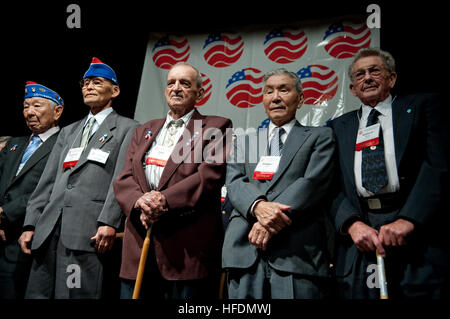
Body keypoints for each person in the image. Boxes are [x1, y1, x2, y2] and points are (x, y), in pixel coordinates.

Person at [328, 47, 449, 299]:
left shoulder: (422, 107)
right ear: (352, 89)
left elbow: (437, 165)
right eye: (360, 75)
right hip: (361, 228)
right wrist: (351, 224)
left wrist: (409, 219)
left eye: (375, 71)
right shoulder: (338, 126)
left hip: (414, 228)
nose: (367, 78)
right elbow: (329, 184)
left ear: (392, 78)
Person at [18, 57, 139, 298]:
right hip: (48, 230)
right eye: (85, 83)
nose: (89, 87)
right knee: (37, 294)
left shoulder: (128, 128)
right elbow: (48, 181)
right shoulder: (69, 130)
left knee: (75, 294)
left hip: (87, 230)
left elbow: (122, 178)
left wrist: (108, 221)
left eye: (96, 82)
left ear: (114, 90)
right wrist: (31, 223)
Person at [113, 62, 232, 299]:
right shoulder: (144, 129)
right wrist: (140, 202)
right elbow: (125, 177)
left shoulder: (216, 127)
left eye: (185, 83)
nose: (176, 88)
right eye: (171, 83)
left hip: (186, 249)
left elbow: (208, 176)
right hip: (139, 243)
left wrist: (162, 200)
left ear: (200, 92)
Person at [222, 68, 335, 299]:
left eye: (284, 90)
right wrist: (257, 206)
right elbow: (234, 181)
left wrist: (267, 221)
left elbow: (312, 182)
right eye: (268, 91)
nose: (275, 97)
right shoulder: (245, 141)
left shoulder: (319, 136)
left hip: (296, 251)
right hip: (244, 249)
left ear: (300, 99)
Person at [0, 82, 63, 299]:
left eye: (36, 105)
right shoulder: (13, 144)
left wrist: (6, 213)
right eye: (26, 106)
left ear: (57, 111)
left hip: (29, 236)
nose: (29, 112)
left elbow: (52, 188)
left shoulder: (63, 145)